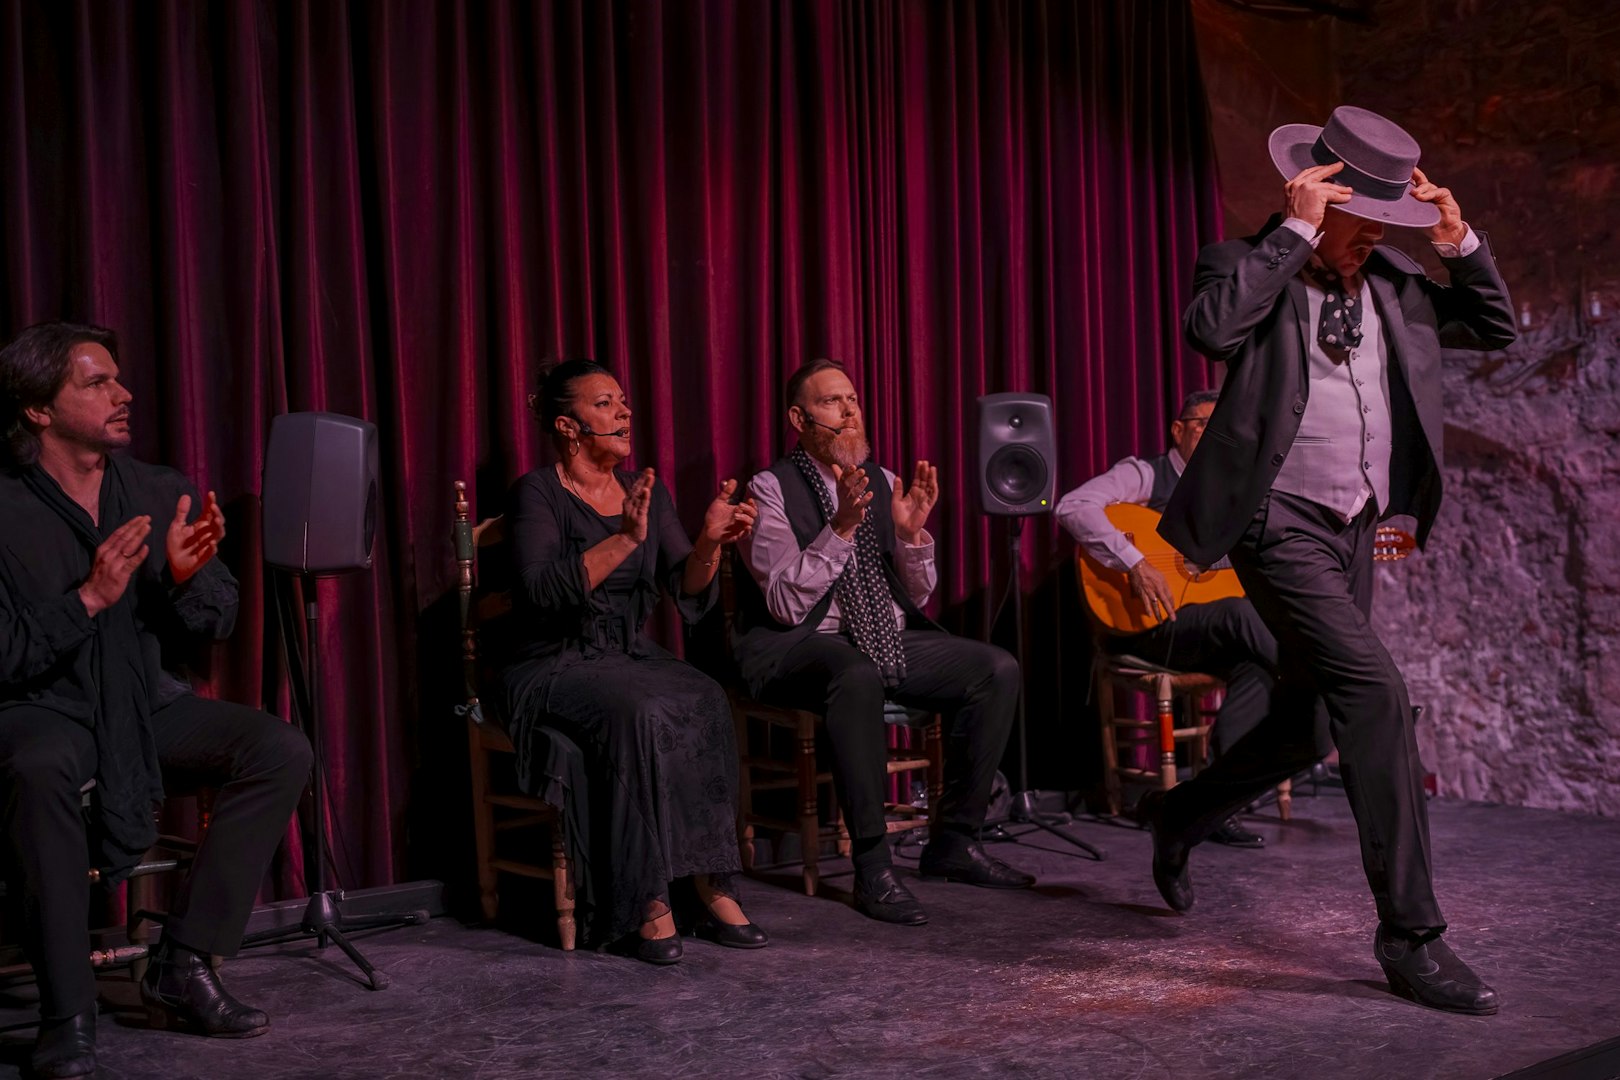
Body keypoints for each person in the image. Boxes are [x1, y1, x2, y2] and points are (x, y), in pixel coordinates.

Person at [1145, 106, 1516, 1015]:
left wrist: (1460, 241)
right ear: (1321, 196)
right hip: (1276, 522)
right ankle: (1411, 937)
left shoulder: (1392, 279)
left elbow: (1495, 326)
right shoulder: (1245, 266)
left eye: (1390, 226)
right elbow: (1212, 331)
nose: (1375, 241)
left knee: (1311, 724)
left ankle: (1179, 816)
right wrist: (1300, 232)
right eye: (1362, 224)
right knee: (1379, 694)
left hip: (1353, 526)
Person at [0, 322, 313, 1078]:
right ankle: (67, 1013)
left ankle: (186, 961)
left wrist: (176, 581)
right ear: (39, 410)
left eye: (118, 378)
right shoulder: (5, 507)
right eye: (96, 383)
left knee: (278, 749)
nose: (124, 393)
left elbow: (220, 615)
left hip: (143, 700)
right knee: (37, 766)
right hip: (44, 707)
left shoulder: (157, 488)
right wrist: (88, 599)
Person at [733, 359, 1031, 928]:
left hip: (884, 633)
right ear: (798, 418)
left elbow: (917, 595)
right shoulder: (770, 489)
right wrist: (841, 526)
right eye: (830, 403)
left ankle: (957, 840)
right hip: (800, 642)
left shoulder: (886, 480)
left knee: (995, 669)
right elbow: (785, 605)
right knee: (856, 675)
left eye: (852, 399)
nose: (849, 411)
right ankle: (874, 865)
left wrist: (913, 534)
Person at [499, 359, 763, 965]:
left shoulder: (647, 488)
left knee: (704, 697)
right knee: (639, 711)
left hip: (625, 651)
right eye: (605, 405)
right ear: (568, 426)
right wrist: (623, 538)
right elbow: (540, 593)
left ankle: (711, 884)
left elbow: (686, 585)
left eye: (622, 401)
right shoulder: (538, 493)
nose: (624, 413)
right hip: (552, 659)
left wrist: (708, 544)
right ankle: (646, 901)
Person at [1056, 388, 1287, 848]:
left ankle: (1213, 801)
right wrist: (1134, 562)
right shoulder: (1145, 474)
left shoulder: (1232, 495)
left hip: (1200, 632)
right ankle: (1321, 684)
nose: (1213, 434)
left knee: (1257, 666)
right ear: (1178, 430)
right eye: (1204, 423)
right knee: (1245, 619)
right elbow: (1071, 506)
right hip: (1144, 626)